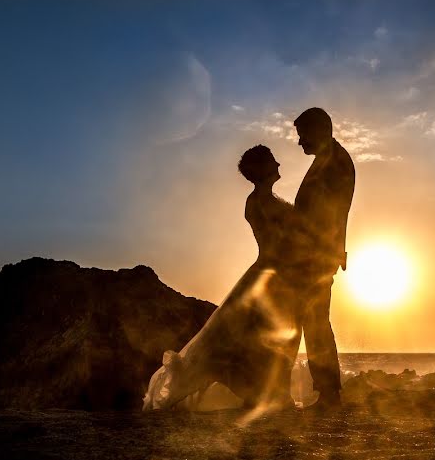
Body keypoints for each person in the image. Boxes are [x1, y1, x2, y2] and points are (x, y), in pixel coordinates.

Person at [143, 145, 302, 411]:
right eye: (273, 161)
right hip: (273, 276)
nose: (278, 164)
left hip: (274, 273)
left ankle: (271, 393)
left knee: (269, 339)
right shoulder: (259, 203)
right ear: (264, 167)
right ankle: (269, 394)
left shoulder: (266, 200)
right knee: (272, 337)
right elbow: (280, 242)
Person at [291, 108, 355, 410]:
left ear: (319, 130)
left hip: (315, 256)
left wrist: (321, 253)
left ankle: (329, 392)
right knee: (313, 322)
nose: (299, 142)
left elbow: (330, 213)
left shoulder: (335, 163)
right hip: (313, 254)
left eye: (302, 135)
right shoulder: (327, 160)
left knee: (315, 323)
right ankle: (327, 391)